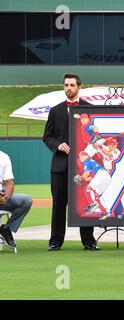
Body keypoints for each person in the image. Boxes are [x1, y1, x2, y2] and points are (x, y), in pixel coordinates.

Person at [43, 73, 98, 251]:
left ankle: (89, 241)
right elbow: (47, 137)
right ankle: (55, 241)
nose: (69, 88)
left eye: (72, 85)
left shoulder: (89, 109)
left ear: (79, 87)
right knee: (59, 204)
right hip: (60, 167)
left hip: (83, 166)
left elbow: (95, 135)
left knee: (85, 202)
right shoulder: (55, 110)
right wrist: (58, 145)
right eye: (66, 85)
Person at [0, 150, 32, 249]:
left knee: (26, 200)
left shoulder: (3, 157)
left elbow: (9, 183)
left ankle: (6, 229)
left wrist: (6, 196)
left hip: (1, 195)